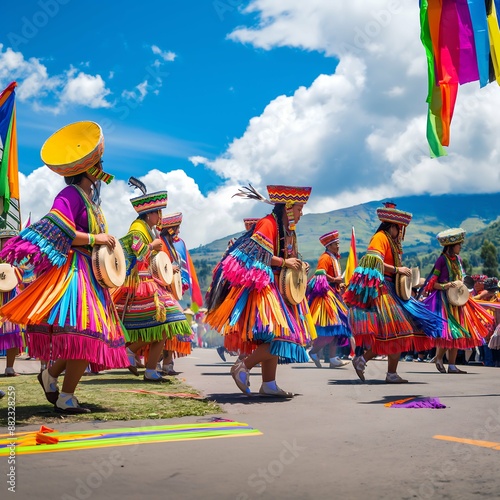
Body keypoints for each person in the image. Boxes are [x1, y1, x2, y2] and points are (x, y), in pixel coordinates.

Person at [0, 121, 129, 413]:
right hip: (75, 272)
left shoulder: (90, 202)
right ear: (90, 168)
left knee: (85, 334)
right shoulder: (70, 196)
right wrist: (97, 238)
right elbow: (61, 228)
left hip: (91, 274)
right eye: (99, 164)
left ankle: (51, 376)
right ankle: (66, 396)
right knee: (87, 332)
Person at [206, 184, 316, 397]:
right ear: (288, 207)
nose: (302, 213)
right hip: (266, 289)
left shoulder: (288, 231)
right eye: (299, 209)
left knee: (274, 337)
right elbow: (255, 255)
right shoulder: (267, 224)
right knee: (282, 336)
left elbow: (286, 259)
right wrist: (285, 262)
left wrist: (299, 265)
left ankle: (269, 384)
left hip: (282, 290)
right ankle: (243, 367)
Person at [344, 202, 440, 383]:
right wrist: (398, 269)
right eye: (399, 228)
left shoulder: (391, 241)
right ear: (392, 226)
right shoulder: (380, 238)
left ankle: (386, 371)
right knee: (397, 331)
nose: (401, 232)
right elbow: (373, 262)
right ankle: (365, 360)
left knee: (399, 332)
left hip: (393, 290)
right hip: (383, 290)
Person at [113, 183, 192, 382]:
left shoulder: (147, 228)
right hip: (142, 285)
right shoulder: (138, 229)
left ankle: (147, 367)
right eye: (158, 213)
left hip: (150, 282)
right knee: (168, 321)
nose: (160, 218)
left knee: (161, 327)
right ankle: (134, 355)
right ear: (149, 214)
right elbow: (138, 254)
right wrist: (153, 246)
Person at [422, 228, 494, 373]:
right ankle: (439, 357)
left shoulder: (459, 260)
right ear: (451, 246)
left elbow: (463, 277)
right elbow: (432, 283)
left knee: (458, 332)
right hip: (444, 301)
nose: (461, 247)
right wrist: (446, 285)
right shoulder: (441, 260)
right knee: (449, 333)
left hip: (459, 300)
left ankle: (452, 365)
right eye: (459, 244)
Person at [157, 211, 198, 374]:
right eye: (177, 227)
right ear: (171, 229)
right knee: (169, 326)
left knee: (170, 328)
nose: (179, 231)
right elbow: (157, 264)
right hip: (161, 289)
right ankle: (159, 362)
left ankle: (167, 362)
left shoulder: (172, 244)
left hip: (171, 290)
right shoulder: (160, 243)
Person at [307, 230, 351, 368]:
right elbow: (320, 274)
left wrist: (339, 283)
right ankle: (315, 352)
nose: (338, 246)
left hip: (335, 294)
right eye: (336, 244)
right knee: (332, 328)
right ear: (329, 245)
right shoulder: (325, 258)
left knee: (337, 329)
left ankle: (332, 358)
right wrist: (335, 280)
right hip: (327, 296)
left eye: (338, 243)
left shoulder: (333, 257)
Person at [0, 230, 24, 376]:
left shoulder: (18, 259)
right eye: (5, 240)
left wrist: (16, 270)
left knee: (14, 332)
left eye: (11, 240)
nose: (8, 242)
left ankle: (10, 367)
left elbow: (25, 276)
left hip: (12, 298)